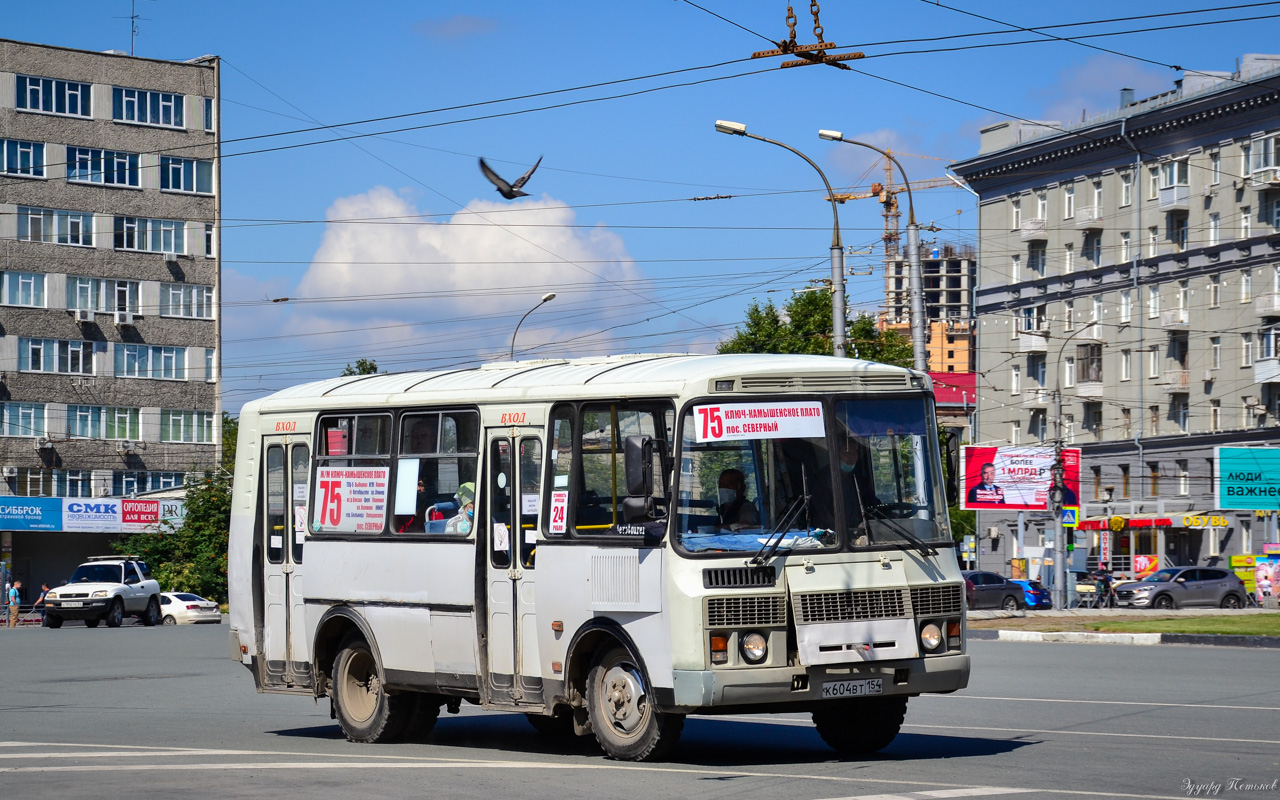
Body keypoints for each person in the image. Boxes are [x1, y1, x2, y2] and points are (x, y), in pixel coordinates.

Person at [837, 434, 881, 536]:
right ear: (836, 453)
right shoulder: (824, 480)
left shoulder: (859, 479)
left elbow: (873, 504)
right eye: (847, 452)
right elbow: (824, 516)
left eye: (854, 453)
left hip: (862, 533)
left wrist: (890, 515)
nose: (851, 457)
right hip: (841, 535)